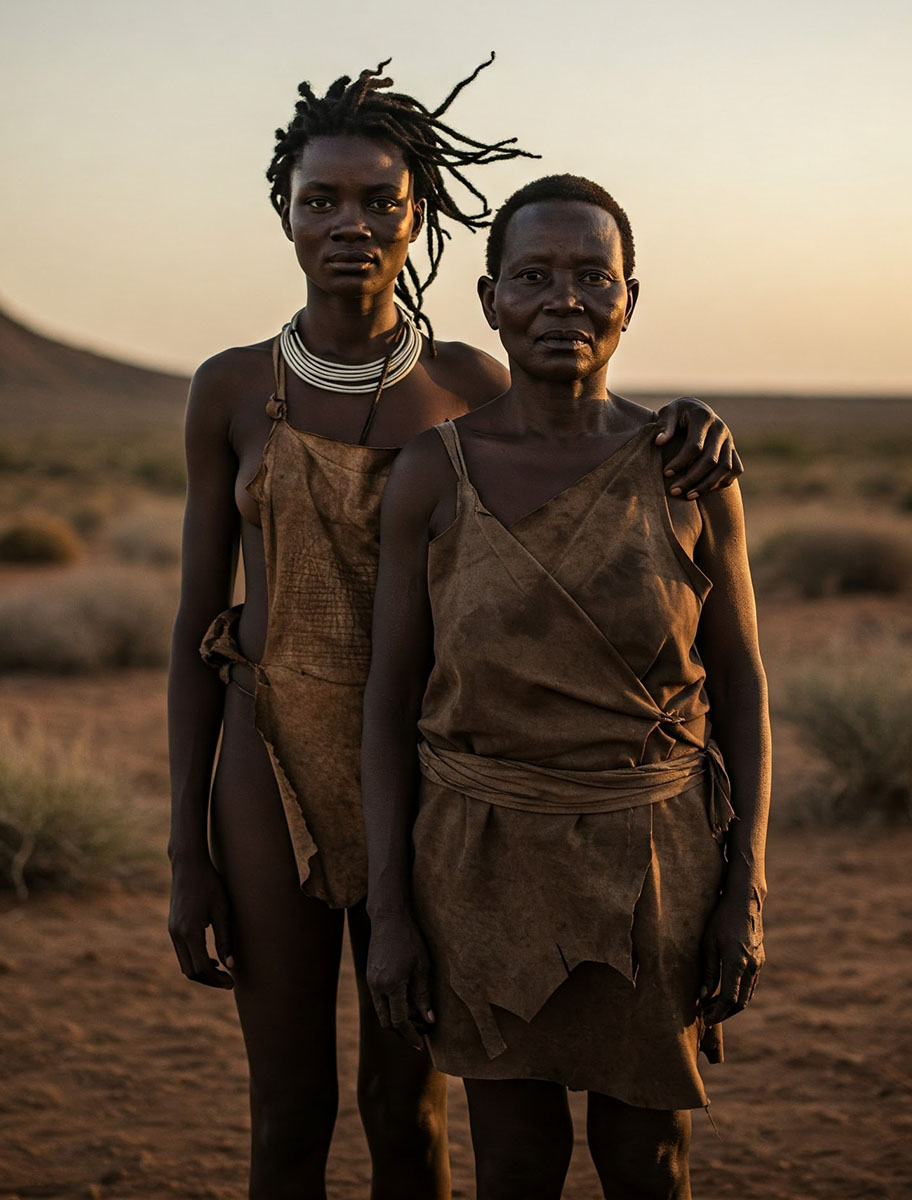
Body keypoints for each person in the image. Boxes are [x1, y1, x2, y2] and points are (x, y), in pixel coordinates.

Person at [167, 56, 744, 1200]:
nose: (351, 225)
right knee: (288, 1111)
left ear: (418, 215)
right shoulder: (230, 390)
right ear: (282, 213)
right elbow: (194, 627)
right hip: (266, 759)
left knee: (408, 1105)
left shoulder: (469, 382)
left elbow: (573, 431)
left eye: (380, 200)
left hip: (432, 780)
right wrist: (187, 848)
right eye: (320, 200)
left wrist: (691, 427)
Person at [363, 174, 770, 1200]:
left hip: (658, 861)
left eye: (594, 276)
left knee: (649, 1161)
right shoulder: (432, 472)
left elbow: (745, 691)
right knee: (515, 1160)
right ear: (491, 297)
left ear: (633, 298)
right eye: (535, 275)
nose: (565, 300)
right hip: (481, 857)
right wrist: (395, 916)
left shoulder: (685, 468)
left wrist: (745, 895)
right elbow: (389, 701)